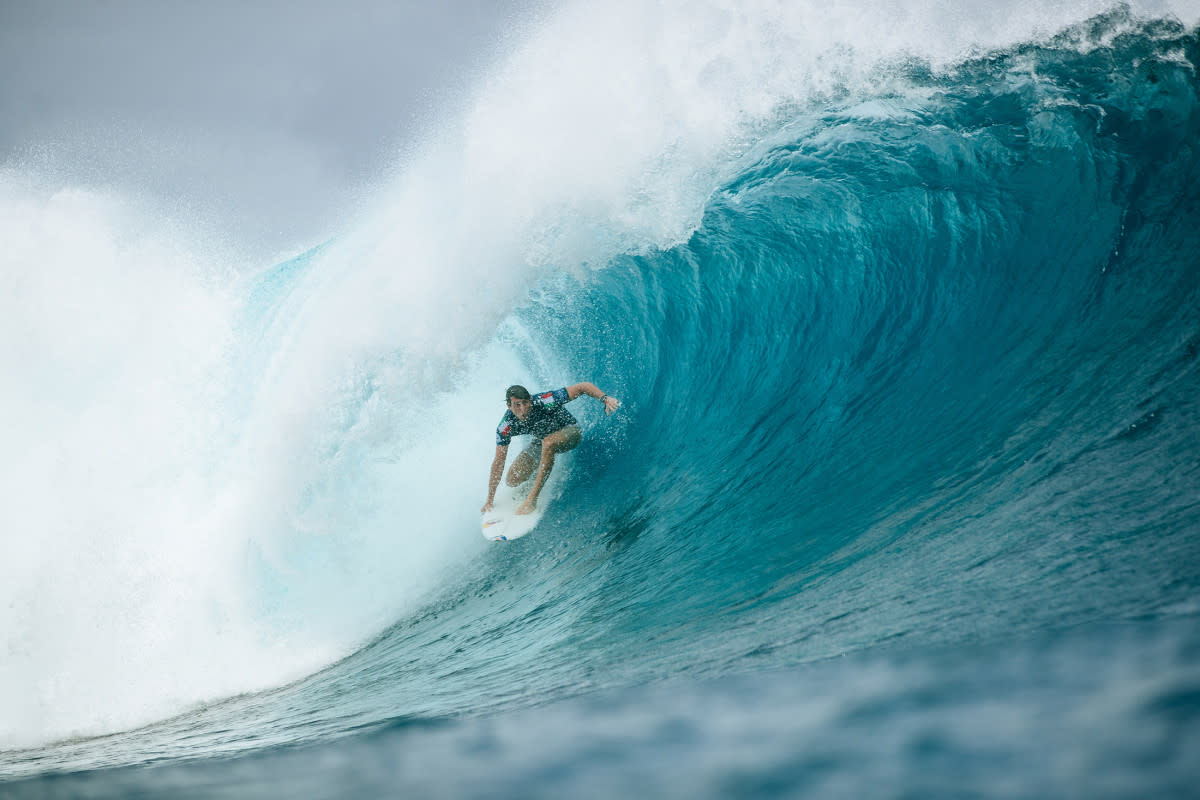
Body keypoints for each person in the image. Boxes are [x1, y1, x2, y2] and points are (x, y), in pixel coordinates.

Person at [482, 383, 620, 516]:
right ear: (509, 406)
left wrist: (605, 399)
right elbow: (498, 463)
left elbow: (582, 387)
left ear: (530, 400)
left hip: (570, 431)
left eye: (525, 403)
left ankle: (532, 500)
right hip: (541, 441)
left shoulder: (545, 400)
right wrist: (489, 500)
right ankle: (541, 471)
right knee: (512, 480)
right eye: (517, 405)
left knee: (548, 443)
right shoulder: (506, 426)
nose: (523, 409)